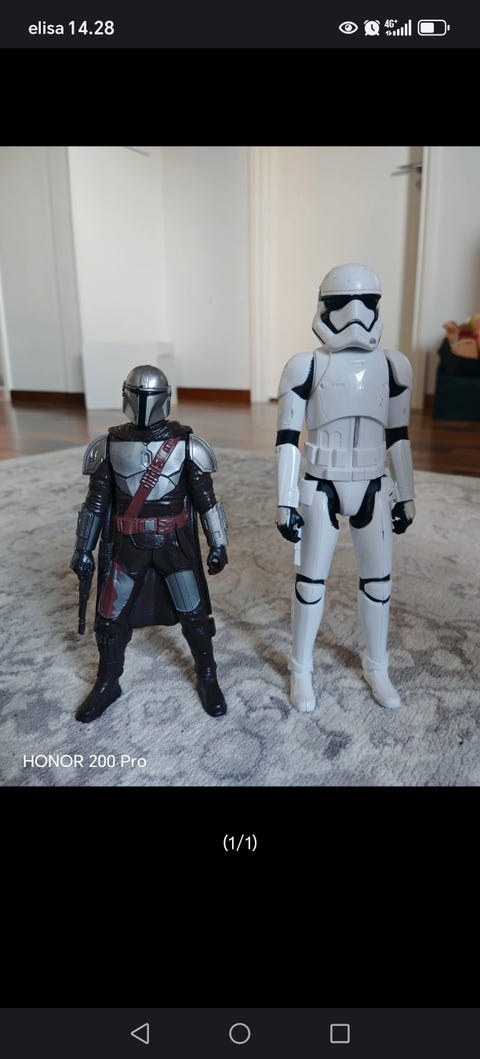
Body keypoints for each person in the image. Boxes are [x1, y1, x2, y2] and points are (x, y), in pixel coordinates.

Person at [275, 263, 415, 712]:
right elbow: (287, 438)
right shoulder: (305, 365)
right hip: (321, 483)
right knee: (310, 583)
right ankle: (301, 669)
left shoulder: (393, 365)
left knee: (378, 583)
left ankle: (377, 666)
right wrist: (285, 500)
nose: (355, 313)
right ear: (324, 307)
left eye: (366, 302)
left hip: (373, 483)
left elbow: (399, 436)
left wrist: (407, 493)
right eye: (341, 303)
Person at [71, 365, 228, 723]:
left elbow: (206, 499)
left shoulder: (186, 444)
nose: (143, 404)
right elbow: (96, 503)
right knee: (110, 618)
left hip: (173, 545)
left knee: (194, 615)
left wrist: (218, 542)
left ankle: (208, 676)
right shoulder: (108, 445)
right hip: (127, 547)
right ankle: (108, 682)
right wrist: (83, 549)